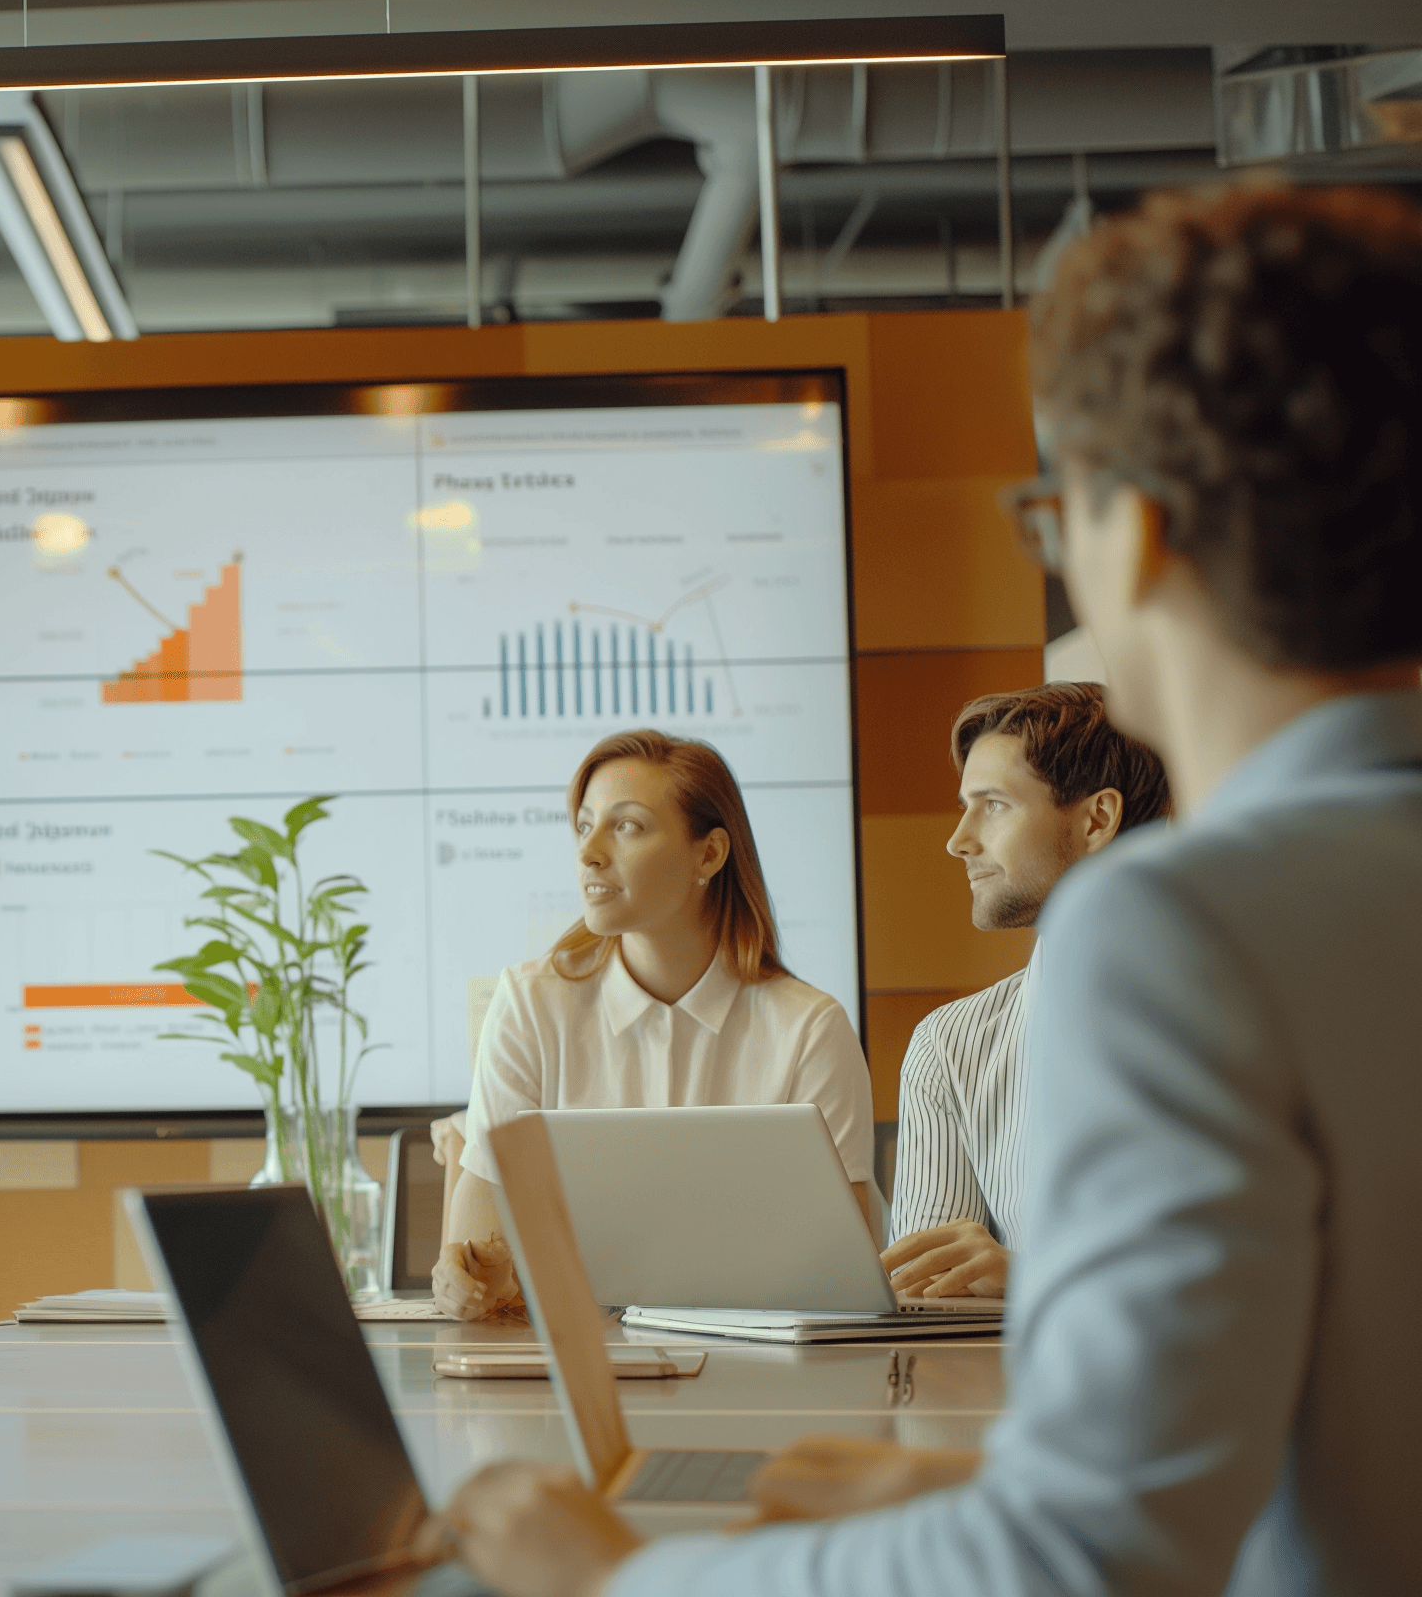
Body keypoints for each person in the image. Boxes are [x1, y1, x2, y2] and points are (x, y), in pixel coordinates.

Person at [443, 180, 1422, 1596]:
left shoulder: (1179, 927)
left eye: (1052, 514)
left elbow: (1091, 1560)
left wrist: (609, 1579)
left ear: (1135, 530)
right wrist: (974, 1485)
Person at [433, 730, 875, 1321]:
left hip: (751, 1368)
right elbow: (475, 1265)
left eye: (627, 826)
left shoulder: (810, 1030)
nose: (589, 853)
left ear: (709, 855)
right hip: (577, 1365)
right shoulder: (528, 1004)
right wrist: (468, 1283)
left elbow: (842, 1282)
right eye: (584, 826)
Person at [880, 683, 1169, 1300]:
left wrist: (1030, 1277)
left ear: (1096, 820)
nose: (959, 839)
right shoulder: (949, 1047)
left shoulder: (1229, 1015)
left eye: (993, 805)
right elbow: (928, 1297)